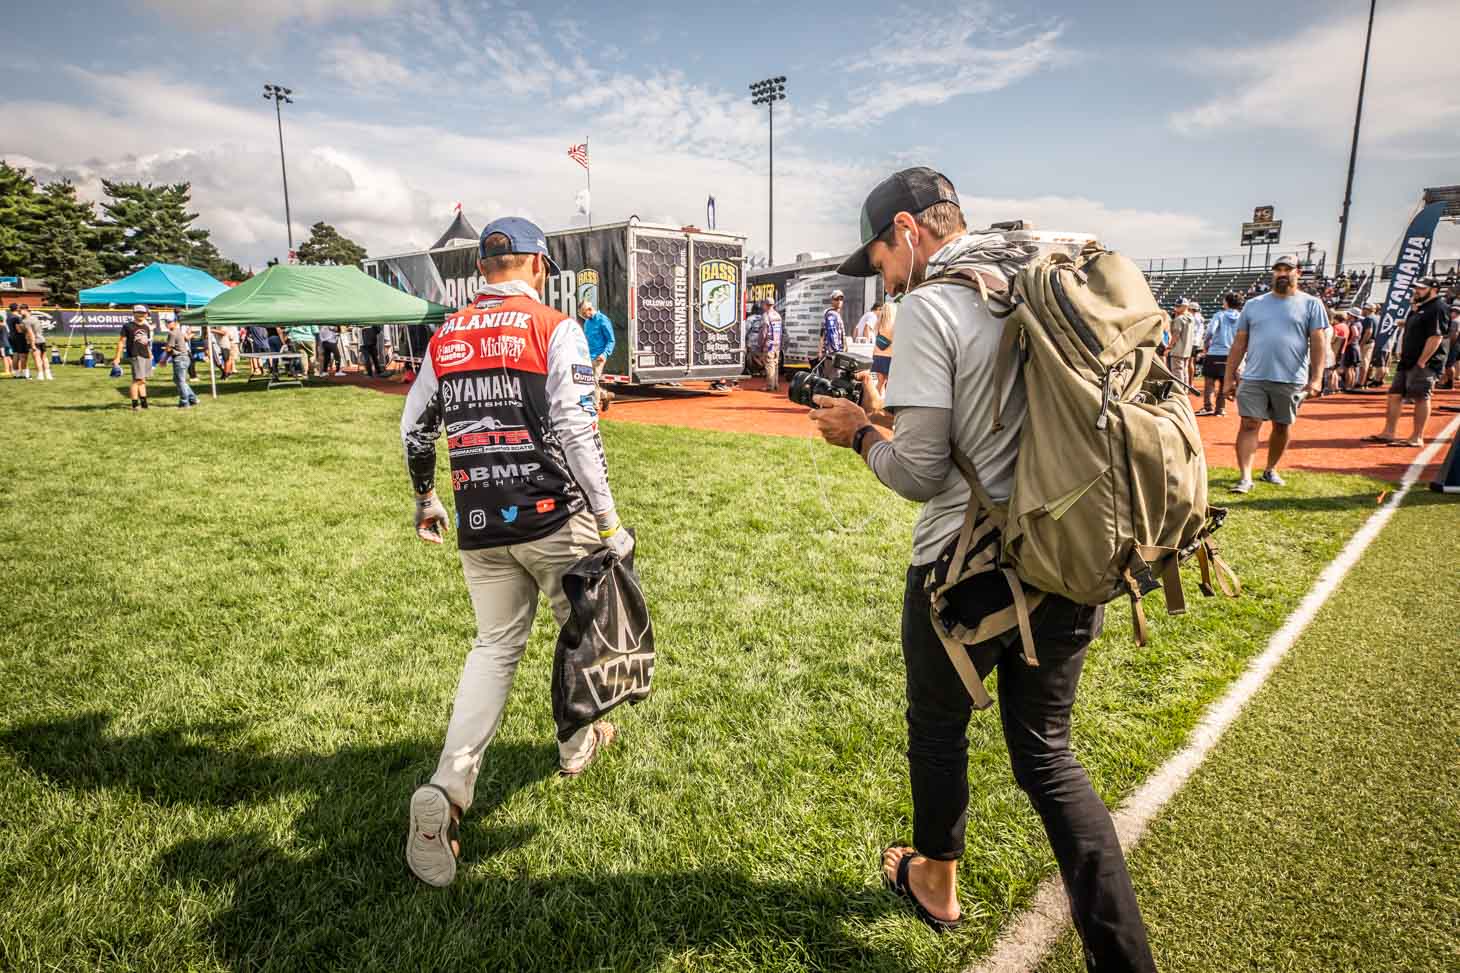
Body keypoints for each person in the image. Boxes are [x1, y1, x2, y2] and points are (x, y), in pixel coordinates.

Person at [810, 167, 1154, 965]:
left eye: (880, 261)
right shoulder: (1033, 274)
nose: (883, 281)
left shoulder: (932, 305)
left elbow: (919, 471)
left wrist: (860, 431)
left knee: (937, 728)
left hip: (964, 567)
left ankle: (936, 883)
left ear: (907, 231)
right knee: (1048, 756)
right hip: (1071, 547)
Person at [400, 217, 634, 889]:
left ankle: (447, 789)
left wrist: (427, 497)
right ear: (538, 266)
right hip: (554, 513)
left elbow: (415, 427)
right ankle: (575, 746)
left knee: (494, 648)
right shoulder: (555, 327)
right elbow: (576, 428)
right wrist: (609, 519)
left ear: (482, 269)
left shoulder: (446, 335)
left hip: (480, 520)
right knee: (580, 633)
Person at [1223, 255, 1327, 493]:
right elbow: (1239, 343)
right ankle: (1245, 477)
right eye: (1278, 270)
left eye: (1287, 270)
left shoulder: (1311, 304)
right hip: (1254, 376)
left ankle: (1270, 469)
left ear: (1298, 273)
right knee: (1249, 424)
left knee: (1281, 426)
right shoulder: (1253, 304)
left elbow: (1318, 342)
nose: (1281, 274)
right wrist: (1229, 377)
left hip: (1291, 378)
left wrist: (1317, 378)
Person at [1364, 276, 1449, 448]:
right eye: (1416, 288)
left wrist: (1422, 361)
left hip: (1424, 363)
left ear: (1434, 290)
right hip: (1408, 360)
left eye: (1421, 288)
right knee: (1394, 395)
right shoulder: (1419, 307)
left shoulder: (1438, 307)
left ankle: (1417, 437)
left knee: (1421, 397)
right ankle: (1389, 432)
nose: (1416, 291)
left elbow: (1436, 337)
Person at [1197, 292, 1241, 416]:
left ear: (1226, 302)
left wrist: (1206, 345)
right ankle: (1220, 409)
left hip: (1215, 352)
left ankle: (1208, 407)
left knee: (1209, 382)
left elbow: (1210, 331)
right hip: (1231, 354)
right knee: (1224, 382)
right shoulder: (1241, 316)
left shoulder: (1219, 315)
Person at [113, 305, 154, 411]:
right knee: (137, 380)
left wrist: (150, 354)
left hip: (145, 355)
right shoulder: (128, 326)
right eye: (138, 312)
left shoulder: (146, 327)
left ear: (146, 314)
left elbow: (146, 343)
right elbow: (121, 342)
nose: (141, 315)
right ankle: (135, 404)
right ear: (134, 313)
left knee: (143, 380)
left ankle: (144, 404)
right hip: (136, 355)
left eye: (143, 313)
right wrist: (117, 357)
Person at [578, 299, 616, 412]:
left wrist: (605, 354)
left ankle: (595, 407)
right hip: (588, 356)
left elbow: (611, 340)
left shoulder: (603, 320)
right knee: (587, 380)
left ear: (590, 309)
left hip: (599, 356)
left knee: (593, 379)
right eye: (582, 315)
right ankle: (605, 395)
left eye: (584, 313)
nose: (584, 316)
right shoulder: (587, 323)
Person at [165, 317, 200, 408]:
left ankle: (184, 402)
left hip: (180, 358)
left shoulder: (172, 333)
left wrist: (164, 359)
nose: (167, 324)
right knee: (178, 380)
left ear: (175, 323)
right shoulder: (179, 331)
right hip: (184, 357)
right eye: (166, 322)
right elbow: (186, 339)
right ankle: (193, 398)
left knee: (180, 381)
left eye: (169, 322)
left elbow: (169, 349)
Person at [1167, 298, 1197, 388]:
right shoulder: (1191, 318)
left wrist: (1169, 347)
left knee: (1177, 371)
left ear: (1185, 307)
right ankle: (1185, 389)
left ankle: (1179, 390)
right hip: (1187, 349)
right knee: (1184, 370)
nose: (1176, 308)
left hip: (1178, 349)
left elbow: (1176, 335)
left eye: (1179, 306)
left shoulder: (1179, 319)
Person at [871, 299, 896, 395]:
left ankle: (876, 401)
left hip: (877, 356)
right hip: (889, 357)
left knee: (880, 383)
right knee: (889, 384)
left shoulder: (878, 324)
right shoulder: (893, 326)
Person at [1324, 309, 1349, 396]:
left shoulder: (1335, 327)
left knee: (1330, 371)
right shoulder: (1345, 326)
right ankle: (1335, 387)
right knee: (1334, 370)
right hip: (1340, 350)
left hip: (1332, 350)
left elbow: (1333, 339)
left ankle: (1330, 388)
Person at [820, 289, 846, 375]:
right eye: (836, 299)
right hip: (832, 354)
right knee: (833, 377)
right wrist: (837, 352)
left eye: (841, 299)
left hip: (833, 353)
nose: (839, 301)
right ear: (832, 301)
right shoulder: (831, 314)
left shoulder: (834, 314)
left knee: (830, 376)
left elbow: (822, 334)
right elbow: (831, 335)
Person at [23, 307, 53, 381]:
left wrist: (32, 344)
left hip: (34, 341)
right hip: (42, 339)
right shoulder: (36, 319)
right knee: (44, 358)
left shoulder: (26, 321)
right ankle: (48, 375)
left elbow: (31, 334)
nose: (19, 312)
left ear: (25, 310)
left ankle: (40, 375)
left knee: (37, 358)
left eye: (20, 310)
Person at [761, 299, 783, 392]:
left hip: (769, 344)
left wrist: (761, 343)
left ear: (766, 305)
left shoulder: (766, 315)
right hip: (777, 343)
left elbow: (764, 332)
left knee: (769, 364)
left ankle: (770, 386)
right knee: (775, 364)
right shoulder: (778, 315)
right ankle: (776, 384)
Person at [1356, 303, 1379, 388]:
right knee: (1367, 363)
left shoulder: (1369, 318)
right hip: (1372, 342)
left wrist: (1361, 343)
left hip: (1367, 343)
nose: (1362, 310)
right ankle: (1365, 381)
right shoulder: (1376, 318)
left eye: (1364, 309)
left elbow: (1369, 331)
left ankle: (1361, 383)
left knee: (1364, 363)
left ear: (1367, 310)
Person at [9, 304, 32, 379]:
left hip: (12, 337)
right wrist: (27, 330)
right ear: (17, 308)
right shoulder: (16, 317)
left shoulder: (9, 316)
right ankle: (26, 374)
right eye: (19, 308)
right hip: (19, 338)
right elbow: (19, 330)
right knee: (23, 356)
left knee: (15, 355)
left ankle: (16, 374)